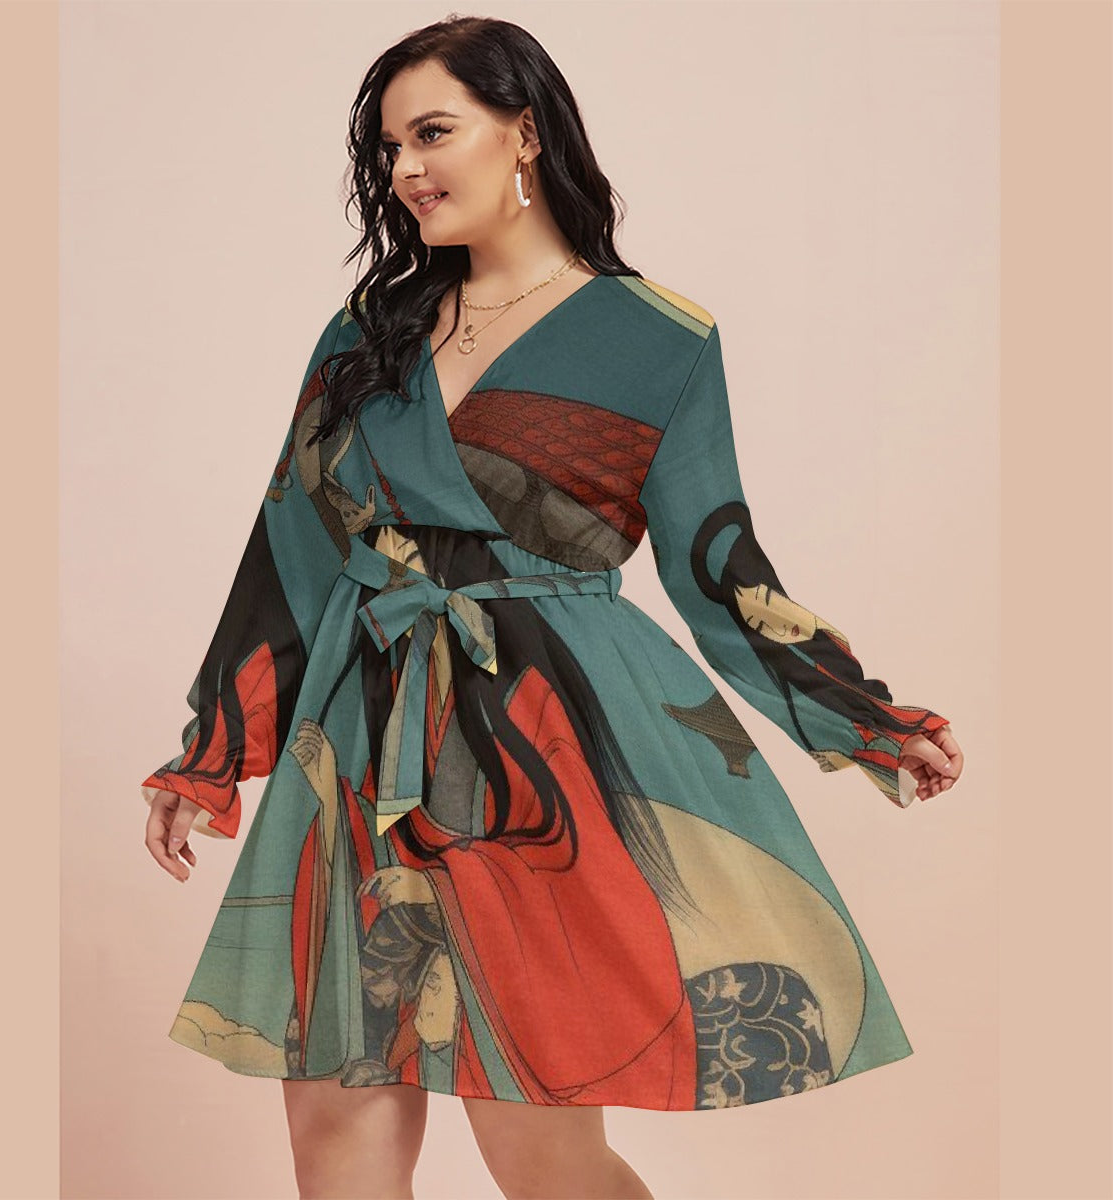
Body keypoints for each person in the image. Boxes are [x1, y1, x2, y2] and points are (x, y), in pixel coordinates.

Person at [139, 16, 964, 1200]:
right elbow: (292, 553)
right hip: (362, 736)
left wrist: (864, 718)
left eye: (434, 133)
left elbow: (720, 569)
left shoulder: (656, 338)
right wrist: (212, 754)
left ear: (524, 132)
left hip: (534, 747)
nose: (406, 169)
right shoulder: (367, 335)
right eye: (390, 148)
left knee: (540, 1151)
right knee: (335, 1130)